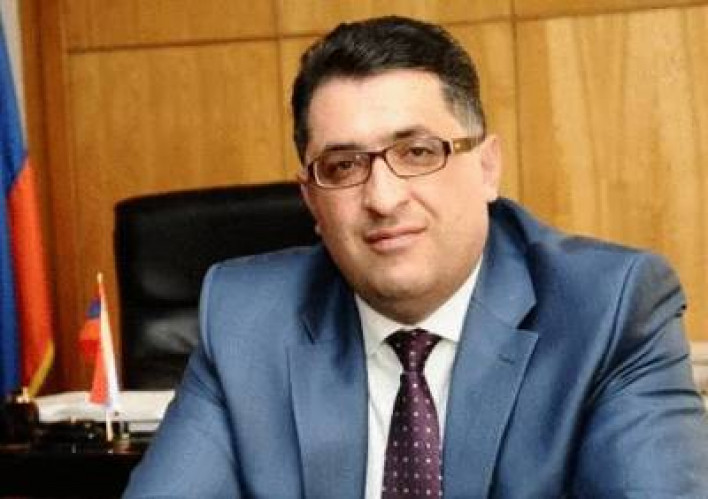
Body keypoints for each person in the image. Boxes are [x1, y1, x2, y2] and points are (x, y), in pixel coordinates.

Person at [124, 16, 708, 498]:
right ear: (312, 200)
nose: (382, 198)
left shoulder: (608, 310)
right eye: (343, 166)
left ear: (486, 167)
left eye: (418, 152)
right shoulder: (245, 320)